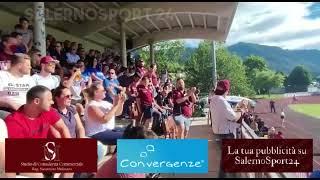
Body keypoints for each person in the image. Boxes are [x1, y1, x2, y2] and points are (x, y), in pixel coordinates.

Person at [4, 85, 73, 178]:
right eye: (49, 100)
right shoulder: (13, 121)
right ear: (36, 101)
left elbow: (62, 128)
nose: (52, 102)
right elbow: (19, 154)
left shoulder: (48, 111)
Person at [209, 79, 244, 178]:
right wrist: (242, 112)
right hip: (225, 134)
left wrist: (237, 109)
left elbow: (226, 114)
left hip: (219, 132)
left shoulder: (214, 99)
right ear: (226, 90)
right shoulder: (221, 100)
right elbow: (233, 117)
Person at [0, 53, 36, 119]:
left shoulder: (29, 79)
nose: (30, 67)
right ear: (19, 65)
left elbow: (35, 96)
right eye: (28, 65)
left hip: (28, 111)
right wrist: (9, 103)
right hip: (7, 110)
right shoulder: (2, 76)